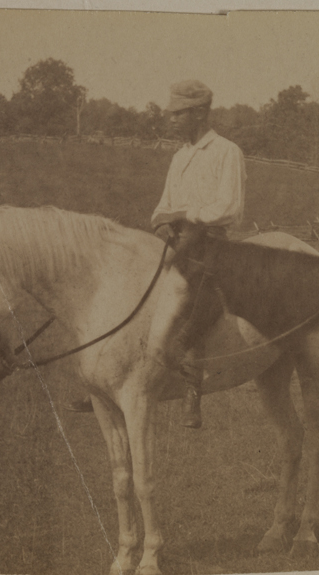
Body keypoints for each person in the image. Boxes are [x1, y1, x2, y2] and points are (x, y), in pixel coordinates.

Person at [67, 80, 246, 429]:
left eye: (178, 113)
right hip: (174, 240)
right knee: (126, 289)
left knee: (196, 296)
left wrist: (183, 215)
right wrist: (162, 222)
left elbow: (230, 207)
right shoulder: (179, 156)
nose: (171, 119)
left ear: (199, 113)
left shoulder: (226, 151)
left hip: (211, 241)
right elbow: (162, 206)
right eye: (171, 113)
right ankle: (109, 386)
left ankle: (192, 387)